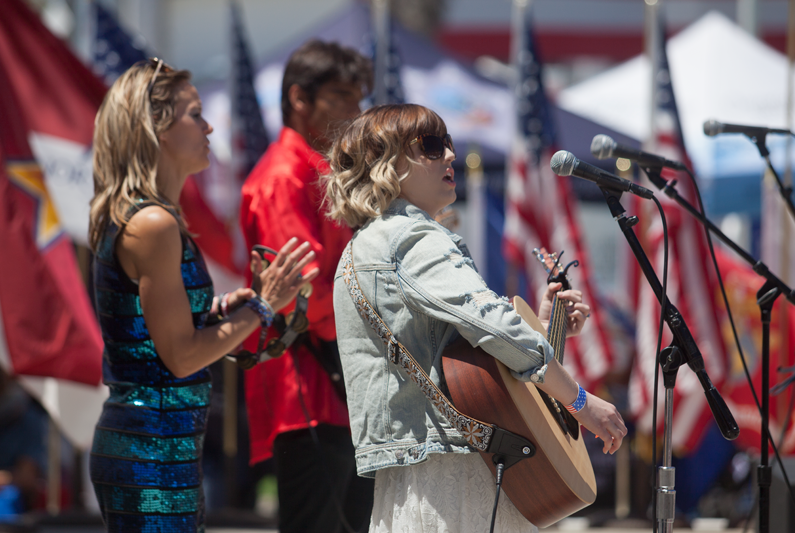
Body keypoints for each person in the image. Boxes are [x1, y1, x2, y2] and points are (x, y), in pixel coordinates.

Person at [325, 104, 628, 532]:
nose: (449, 154)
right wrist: (579, 401)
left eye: (448, 143)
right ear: (387, 163)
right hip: (455, 478)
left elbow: (462, 351)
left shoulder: (360, 249)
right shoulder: (412, 238)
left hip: (415, 472)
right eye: (431, 146)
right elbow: (493, 326)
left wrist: (538, 327)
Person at [87, 58, 318, 533]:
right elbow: (181, 356)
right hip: (151, 451)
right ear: (158, 128)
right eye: (195, 114)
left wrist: (231, 307)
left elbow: (159, 337)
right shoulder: (153, 223)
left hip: (161, 448)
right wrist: (262, 303)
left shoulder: (150, 217)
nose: (210, 125)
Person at [239, 39, 374, 533]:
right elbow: (304, 297)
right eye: (342, 97)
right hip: (308, 391)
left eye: (358, 97)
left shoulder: (324, 172)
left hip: (344, 391)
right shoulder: (282, 178)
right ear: (300, 98)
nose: (356, 111)